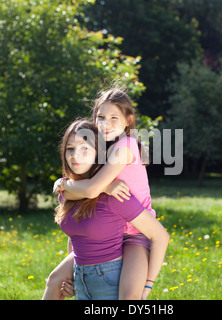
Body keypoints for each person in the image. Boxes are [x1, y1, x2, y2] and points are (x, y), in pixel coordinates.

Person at [43, 119, 169, 300]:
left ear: (99, 153)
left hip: (107, 281)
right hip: (83, 279)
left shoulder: (116, 194)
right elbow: (75, 234)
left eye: (84, 148)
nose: (75, 155)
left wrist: (148, 283)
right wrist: (75, 275)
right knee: (53, 280)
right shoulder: (69, 192)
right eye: (70, 149)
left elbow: (160, 235)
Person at [57, 87, 157, 300]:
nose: (105, 123)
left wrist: (72, 185)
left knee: (130, 298)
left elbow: (91, 189)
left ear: (128, 121)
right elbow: (76, 195)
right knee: (56, 280)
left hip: (136, 233)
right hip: (111, 230)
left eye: (114, 117)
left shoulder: (125, 146)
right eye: (100, 117)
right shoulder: (100, 148)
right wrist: (62, 184)